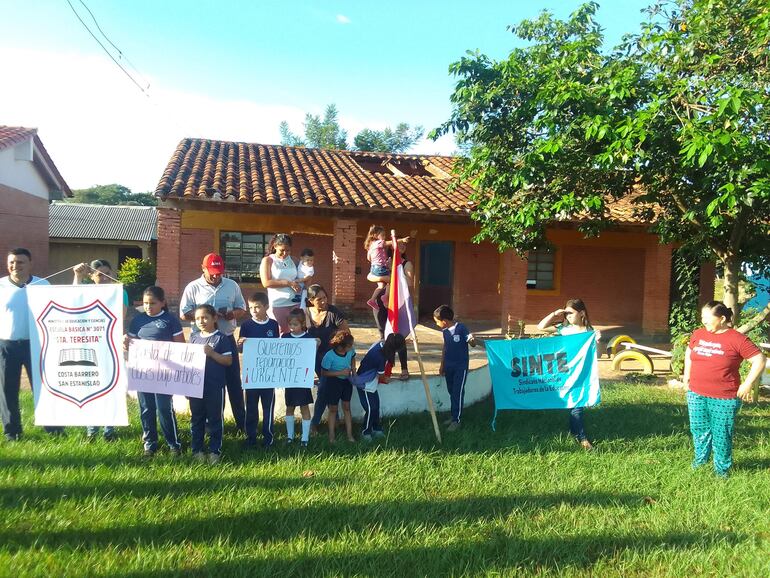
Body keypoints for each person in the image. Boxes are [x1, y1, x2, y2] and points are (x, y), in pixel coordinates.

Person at [683, 300, 765, 477]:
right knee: (699, 429)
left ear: (721, 318)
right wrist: (686, 374)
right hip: (696, 393)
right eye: (702, 318)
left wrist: (748, 383)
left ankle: (721, 471)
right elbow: (689, 352)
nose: (703, 322)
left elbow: (759, 360)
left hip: (724, 398)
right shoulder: (698, 334)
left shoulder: (737, 339)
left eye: (707, 318)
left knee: (721, 434)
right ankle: (700, 462)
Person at [179, 253, 247, 433]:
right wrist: (205, 315)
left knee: (233, 382)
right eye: (212, 272)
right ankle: (210, 424)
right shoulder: (193, 287)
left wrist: (232, 314)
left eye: (219, 272)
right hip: (201, 342)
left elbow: (242, 308)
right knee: (206, 383)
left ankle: (242, 423)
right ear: (203, 269)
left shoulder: (232, 285)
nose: (216, 276)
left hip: (226, 338)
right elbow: (183, 314)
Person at [0, 248, 61, 440]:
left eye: (20, 262)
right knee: (7, 390)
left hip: (37, 346)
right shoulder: (0, 286)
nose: (15, 266)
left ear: (30, 263)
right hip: (6, 345)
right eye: (12, 262)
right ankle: (12, 431)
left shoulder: (43, 285)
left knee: (44, 388)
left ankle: (54, 429)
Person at [73, 259, 129, 442]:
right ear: (91, 276)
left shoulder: (121, 292)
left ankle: (108, 430)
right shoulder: (86, 291)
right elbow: (73, 299)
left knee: (111, 386)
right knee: (92, 387)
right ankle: (91, 430)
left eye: (107, 273)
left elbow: (120, 318)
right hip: (90, 345)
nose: (104, 278)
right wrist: (77, 276)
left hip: (111, 345)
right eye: (99, 274)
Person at [125, 286, 184, 457]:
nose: (148, 307)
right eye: (145, 303)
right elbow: (131, 344)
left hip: (164, 374)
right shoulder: (137, 321)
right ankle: (150, 444)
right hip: (143, 373)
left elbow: (180, 346)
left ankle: (173, 444)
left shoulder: (170, 320)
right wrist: (126, 342)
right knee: (146, 408)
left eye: (152, 303)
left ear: (162, 303)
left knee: (164, 408)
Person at [537, 298, 601, 450]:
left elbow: (598, 355)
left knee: (577, 404)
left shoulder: (590, 332)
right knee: (572, 403)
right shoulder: (564, 329)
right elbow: (540, 327)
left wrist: (598, 341)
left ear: (582, 313)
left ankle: (582, 437)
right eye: (566, 314)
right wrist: (555, 313)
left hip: (582, 373)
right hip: (564, 371)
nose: (568, 316)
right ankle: (576, 432)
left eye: (571, 313)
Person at [189, 304, 234, 465]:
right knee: (196, 418)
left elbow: (228, 361)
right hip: (196, 387)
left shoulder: (221, 338)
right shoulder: (193, 337)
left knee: (215, 419)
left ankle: (215, 451)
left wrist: (212, 353)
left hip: (214, 386)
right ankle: (197, 450)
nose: (201, 321)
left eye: (205, 317)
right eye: (197, 318)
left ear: (214, 318)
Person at [237, 292, 279, 449]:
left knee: (268, 408)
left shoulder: (273, 325)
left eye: (257, 307)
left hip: (268, 375)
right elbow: (241, 349)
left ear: (266, 307)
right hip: (252, 375)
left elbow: (277, 347)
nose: (253, 310)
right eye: (251, 307)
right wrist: (240, 344)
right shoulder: (247, 325)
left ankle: (268, 438)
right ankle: (251, 437)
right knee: (252, 408)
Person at [305, 284, 350, 432]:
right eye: (319, 299)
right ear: (311, 300)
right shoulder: (304, 313)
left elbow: (346, 334)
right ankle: (334, 419)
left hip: (331, 357)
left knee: (324, 388)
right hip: (311, 357)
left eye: (325, 298)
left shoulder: (333, 312)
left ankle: (314, 423)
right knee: (327, 387)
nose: (324, 301)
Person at [354, 333, 407, 442]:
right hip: (365, 384)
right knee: (370, 408)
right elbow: (381, 376)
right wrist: (385, 379)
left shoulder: (380, 345)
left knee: (376, 406)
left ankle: (376, 428)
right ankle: (366, 432)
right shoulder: (380, 357)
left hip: (371, 382)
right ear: (395, 349)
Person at [434, 305, 477, 432]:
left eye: (437, 321)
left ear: (444, 321)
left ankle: (456, 421)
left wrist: (472, 340)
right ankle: (454, 415)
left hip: (460, 367)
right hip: (448, 366)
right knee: (451, 391)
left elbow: (472, 343)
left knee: (457, 392)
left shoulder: (461, 328)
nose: (436, 324)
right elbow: (445, 348)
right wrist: (442, 365)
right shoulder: (445, 332)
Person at [373, 241, 412, 380]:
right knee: (385, 336)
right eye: (398, 243)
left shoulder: (406, 263)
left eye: (404, 244)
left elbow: (409, 282)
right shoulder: (382, 261)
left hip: (398, 302)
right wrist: (387, 275)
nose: (401, 245)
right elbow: (371, 276)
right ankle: (385, 368)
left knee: (399, 337)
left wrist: (395, 272)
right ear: (391, 246)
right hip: (382, 303)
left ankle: (404, 368)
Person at [282, 308, 317, 447]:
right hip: (290, 379)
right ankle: (290, 436)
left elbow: (311, 356)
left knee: (304, 407)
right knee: (289, 407)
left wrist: (317, 344)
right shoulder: (285, 338)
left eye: (295, 324)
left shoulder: (309, 338)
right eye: (290, 324)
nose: (292, 327)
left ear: (302, 324)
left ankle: (305, 438)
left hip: (302, 379)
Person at [259, 234, 305, 334]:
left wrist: (301, 283)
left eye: (288, 250)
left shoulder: (294, 260)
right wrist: (288, 283)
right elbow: (266, 282)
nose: (285, 253)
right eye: (282, 250)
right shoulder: (268, 260)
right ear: (275, 246)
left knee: (296, 332)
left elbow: (302, 278)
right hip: (278, 304)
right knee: (281, 332)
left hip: (295, 303)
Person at [320, 330, 356, 444]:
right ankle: (331, 436)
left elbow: (353, 357)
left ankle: (350, 435)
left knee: (346, 407)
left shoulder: (350, 351)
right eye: (349, 345)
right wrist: (340, 372)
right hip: (333, 382)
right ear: (341, 346)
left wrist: (353, 369)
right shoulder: (329, 356)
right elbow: (324, 373)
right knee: (333, 409)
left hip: (346, 382)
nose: (352, 347)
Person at [364, 225, 409, 310]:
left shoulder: (371, 246)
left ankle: (372, 300)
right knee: (392, 281)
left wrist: (377, 260)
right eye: (383, 235)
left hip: (374, 268)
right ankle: (385, 297)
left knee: (381, 286)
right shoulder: (379, 242)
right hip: (380, 268)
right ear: (376, 235)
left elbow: (368, 258)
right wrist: (402, 240)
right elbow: (391, 242)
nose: (384, 237)